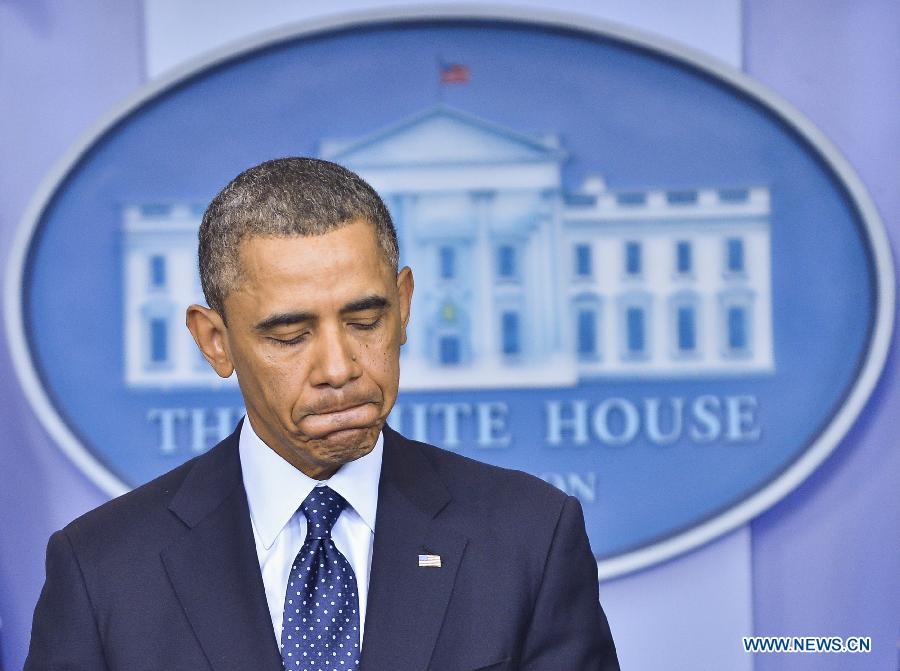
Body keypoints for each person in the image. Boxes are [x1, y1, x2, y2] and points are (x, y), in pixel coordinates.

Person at [26, 158, 619, 670]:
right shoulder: (102, 569)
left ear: (405, 305)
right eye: (289, 335)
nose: (339, 367)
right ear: (215, 341)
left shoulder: (529, 538)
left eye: (366, 322)